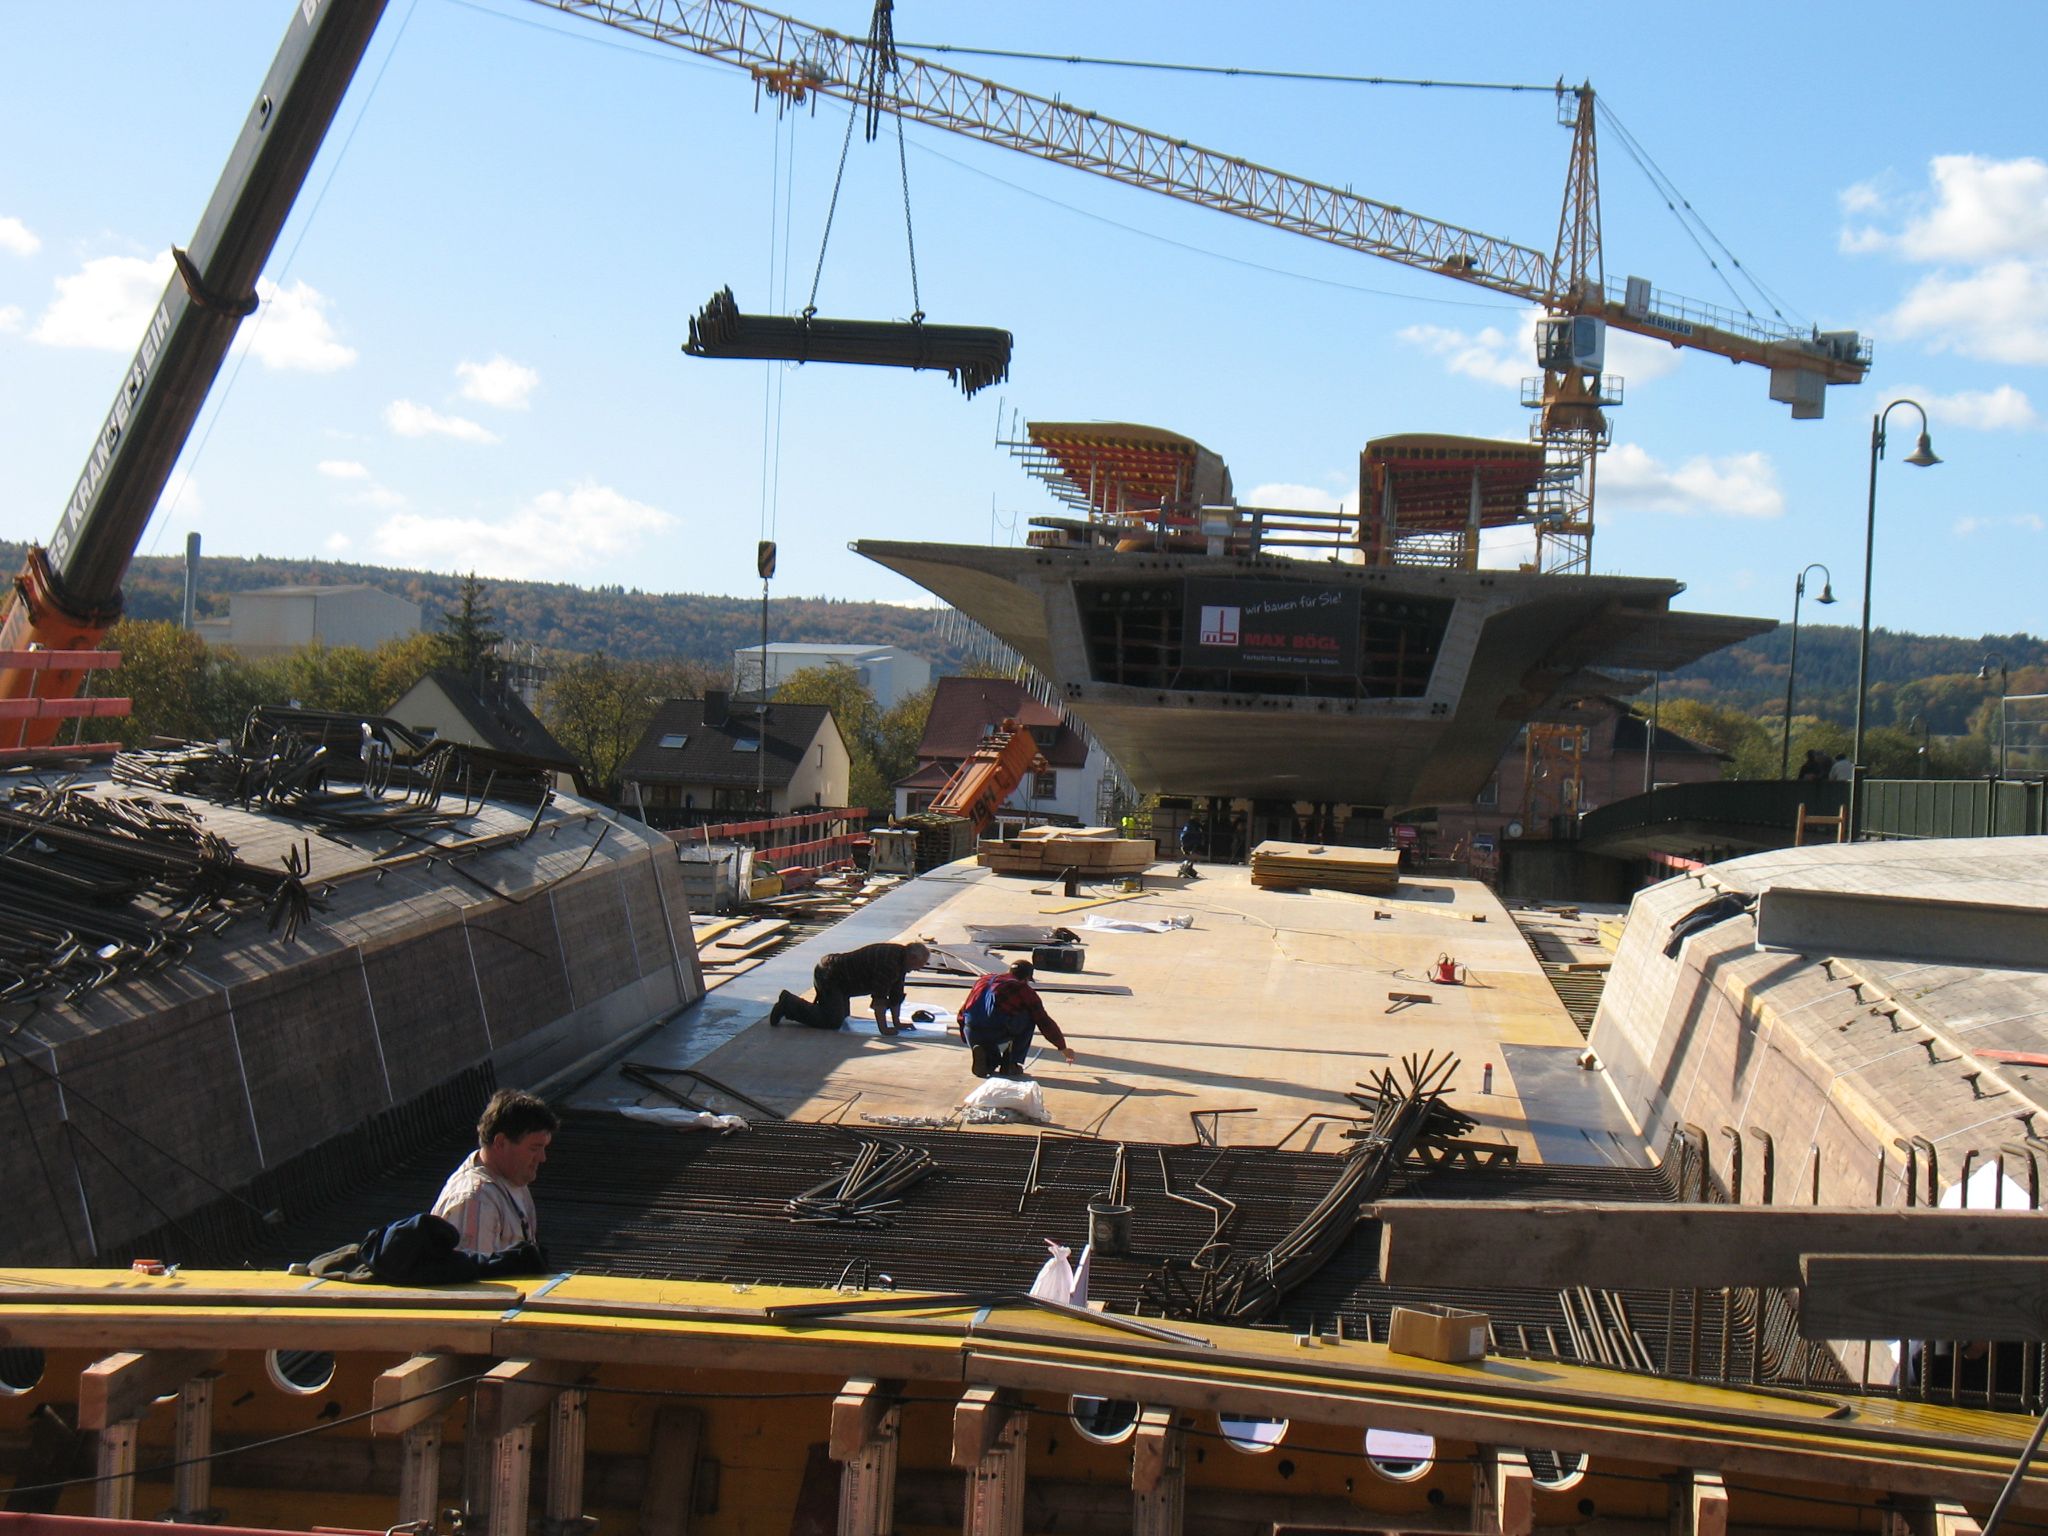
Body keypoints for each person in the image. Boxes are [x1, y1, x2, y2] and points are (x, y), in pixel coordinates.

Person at [432, 1089, 557, 1256]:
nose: (542, 1158)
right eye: (534, 1148)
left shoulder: (513, 1178)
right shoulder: (476, 1200)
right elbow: (476, 1277)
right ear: (500, 1143)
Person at [769, 941, 930, 1033]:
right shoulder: (889, 963)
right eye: (919, 964)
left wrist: (897, 1023)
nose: (918, 969)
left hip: (844, 980)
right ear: (912, 957)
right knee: (832, 1021)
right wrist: (884, 1029)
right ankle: (788, 1004)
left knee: (843, 1018)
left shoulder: (901, 961)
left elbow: (896, 994)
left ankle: (802, 1006)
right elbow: (880, 999)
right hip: (830, 974)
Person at [958, 959, 1077, 1079]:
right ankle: (1011, 1063)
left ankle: (989, 1060)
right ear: (1026, 978)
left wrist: (966, 1037)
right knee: (1030, 1016)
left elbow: (962, 1012)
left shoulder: (983, 981)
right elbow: (1044, 1021)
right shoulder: (1022, 989)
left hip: (971, 1031)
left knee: (987, 1046)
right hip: (996, 1032)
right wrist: (1062, 1047)